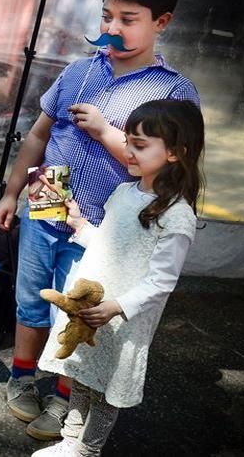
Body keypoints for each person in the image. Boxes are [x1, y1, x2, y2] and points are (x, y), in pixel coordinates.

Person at [0, 0, 200, 441]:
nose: (112, 28)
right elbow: (39, 135)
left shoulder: (172, 93)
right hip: (45, 204)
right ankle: (21, 377)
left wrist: (109, 132)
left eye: (128, 20)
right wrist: (11, 191)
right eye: (107, 16)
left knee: (77, 311)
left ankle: (66, 399)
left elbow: (168, 163)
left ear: (161, 22)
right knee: (29, 298)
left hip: (104, 228)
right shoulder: (80, 72)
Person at [32, 99, 204, 457]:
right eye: (128, 142)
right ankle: (69, 440)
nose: (128, 151)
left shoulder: (178, 215)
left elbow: (162, 281)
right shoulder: (125, 191)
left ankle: (86, 450)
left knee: (105, 389)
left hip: (124, 319)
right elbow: (110, 243)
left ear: (175, 153)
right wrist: (80, 225)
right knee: (80, 374)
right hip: (95, 307)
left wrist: (117, 307)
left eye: (140, 145)